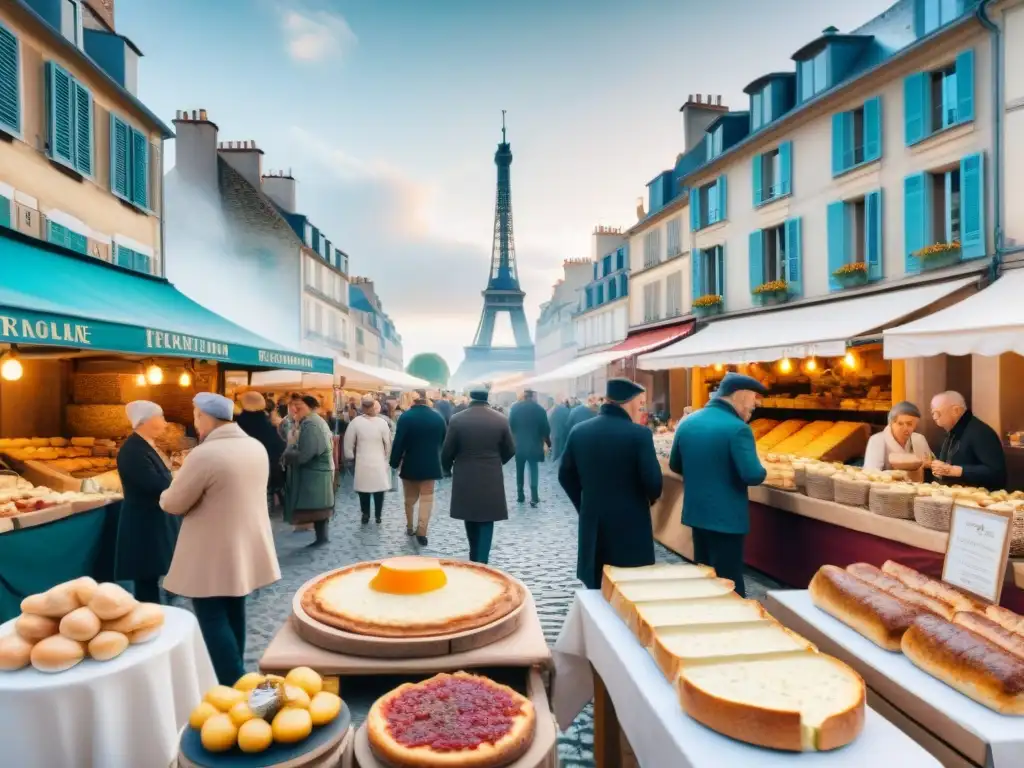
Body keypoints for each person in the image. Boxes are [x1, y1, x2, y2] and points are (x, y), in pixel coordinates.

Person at [160, 393, 280, 685]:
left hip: (211, 549)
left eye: (195, 415)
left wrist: (167, 489)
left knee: (211, 614)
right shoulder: (254, 446)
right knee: (235, 608)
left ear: (203, 416)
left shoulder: (205, 454)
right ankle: (234, 670)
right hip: (245, 544)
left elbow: (172, 503)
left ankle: (231, 678)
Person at [559, 379, 663, 589]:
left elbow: (565, 475)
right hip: (631, 525)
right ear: (630, 402)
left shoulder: (579, 431)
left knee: (596, 588)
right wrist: (646, 501)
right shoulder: (639, 435)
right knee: (631, 589)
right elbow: (654, 483)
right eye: (640, 403)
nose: (641, 409)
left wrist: (584, 505)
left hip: (594, 524)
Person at [670, 373, 767, 597]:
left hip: (697, 514)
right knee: (729, 582)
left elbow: (675, 464)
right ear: (740, 396)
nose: (755, 404)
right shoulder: (738, 429)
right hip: (726, 520)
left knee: (705, 575)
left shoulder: (689, 422)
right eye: (754, 398)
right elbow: (752, 474)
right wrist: (764, 470)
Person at [114, 401, 179, 604]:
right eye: (161, 417)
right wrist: (180, 479)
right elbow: (155, 484)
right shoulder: (133, 450)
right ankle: (149, 619)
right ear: (147, 420)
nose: (165, 422)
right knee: (146, 579)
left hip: (152, 520)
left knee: (151, 575)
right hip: (143, 523)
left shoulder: (145, 446)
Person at [442, 386, 515, 564]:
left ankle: (475, 557)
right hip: (491, 474)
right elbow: (510, 449)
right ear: (487, 398)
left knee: (470, 516)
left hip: (465, 473)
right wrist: (497, 461)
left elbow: (447, 450)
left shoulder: (457, 419)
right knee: (487, 518)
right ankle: (482, 559)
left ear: (470, 397)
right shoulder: (500, 420)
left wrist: (447, 468)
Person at [390, 389, 447, 545]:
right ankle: (422, 531)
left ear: (413, 401)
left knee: (409, 499)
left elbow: (399, 442)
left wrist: (394, 462)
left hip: (410, 464)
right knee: (426, 499)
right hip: (431, 465)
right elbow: (444, 440)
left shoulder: (406, 417)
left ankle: (409, 526)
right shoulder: (438, 417)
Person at [282, 395, 336, 547]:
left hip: (315, 474)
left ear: (309, 406)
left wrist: (289, 454)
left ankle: (322, 539)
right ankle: (321, 538)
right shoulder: (311, 421)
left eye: (298, 405)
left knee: (318, 508)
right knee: (320, 508)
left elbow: (306, 453)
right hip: (317, 472)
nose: (294, 409)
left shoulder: (312, 424)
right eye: (293, 405)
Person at [930, 391, 1007, 489]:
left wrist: (956, 470)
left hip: (978, 497)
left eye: (937, 413)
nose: (934, 417)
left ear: (956, 411)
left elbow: (996, 472)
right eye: (932, 413)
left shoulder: (980, 432)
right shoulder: (951, 431)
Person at [344, 394, 393, 524]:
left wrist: (350, 456)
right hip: (378, 460)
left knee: (364, 491)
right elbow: (388, 443)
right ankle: (378, 515)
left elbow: (348, 443)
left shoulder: (355, 422)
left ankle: (365, 514)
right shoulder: (382, 423)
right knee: (378, 490)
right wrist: (387, 458)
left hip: (362, 460)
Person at [236, 391, 286, 503]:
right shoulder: (270, 426)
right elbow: (280, 449)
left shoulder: (237, 424)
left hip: (242, 474)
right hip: (269, 473)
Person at [509, 388, 551, 507]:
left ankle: (520, 495)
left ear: (523, 396)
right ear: (532, 396)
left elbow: (511, 425)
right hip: (534, 445)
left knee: (520, 470)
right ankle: (534, 496)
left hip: (520, 445)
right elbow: (546, 429)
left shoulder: (515, 408)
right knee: (533, 469)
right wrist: (548, 443)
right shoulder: (539, 409)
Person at [863, 401, 933, 471]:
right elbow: (872, 474)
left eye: (909, 424)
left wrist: (929, 465)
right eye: (900, 424)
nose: (905, 428)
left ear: (915, 425)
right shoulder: (877, 440)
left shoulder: (919, 439)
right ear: (891, 423)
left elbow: (931, 467)